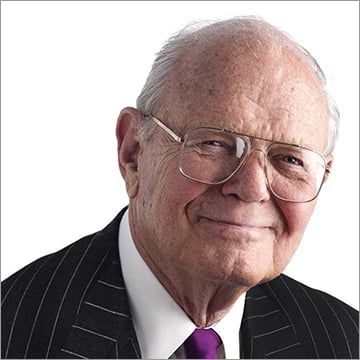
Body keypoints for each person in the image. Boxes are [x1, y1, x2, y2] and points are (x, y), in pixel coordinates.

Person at [1, 16, 358, 359]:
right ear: (134, 152)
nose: (252, 188)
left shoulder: (345, 340)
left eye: (290, 160)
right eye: (215, 143)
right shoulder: (13, 332)